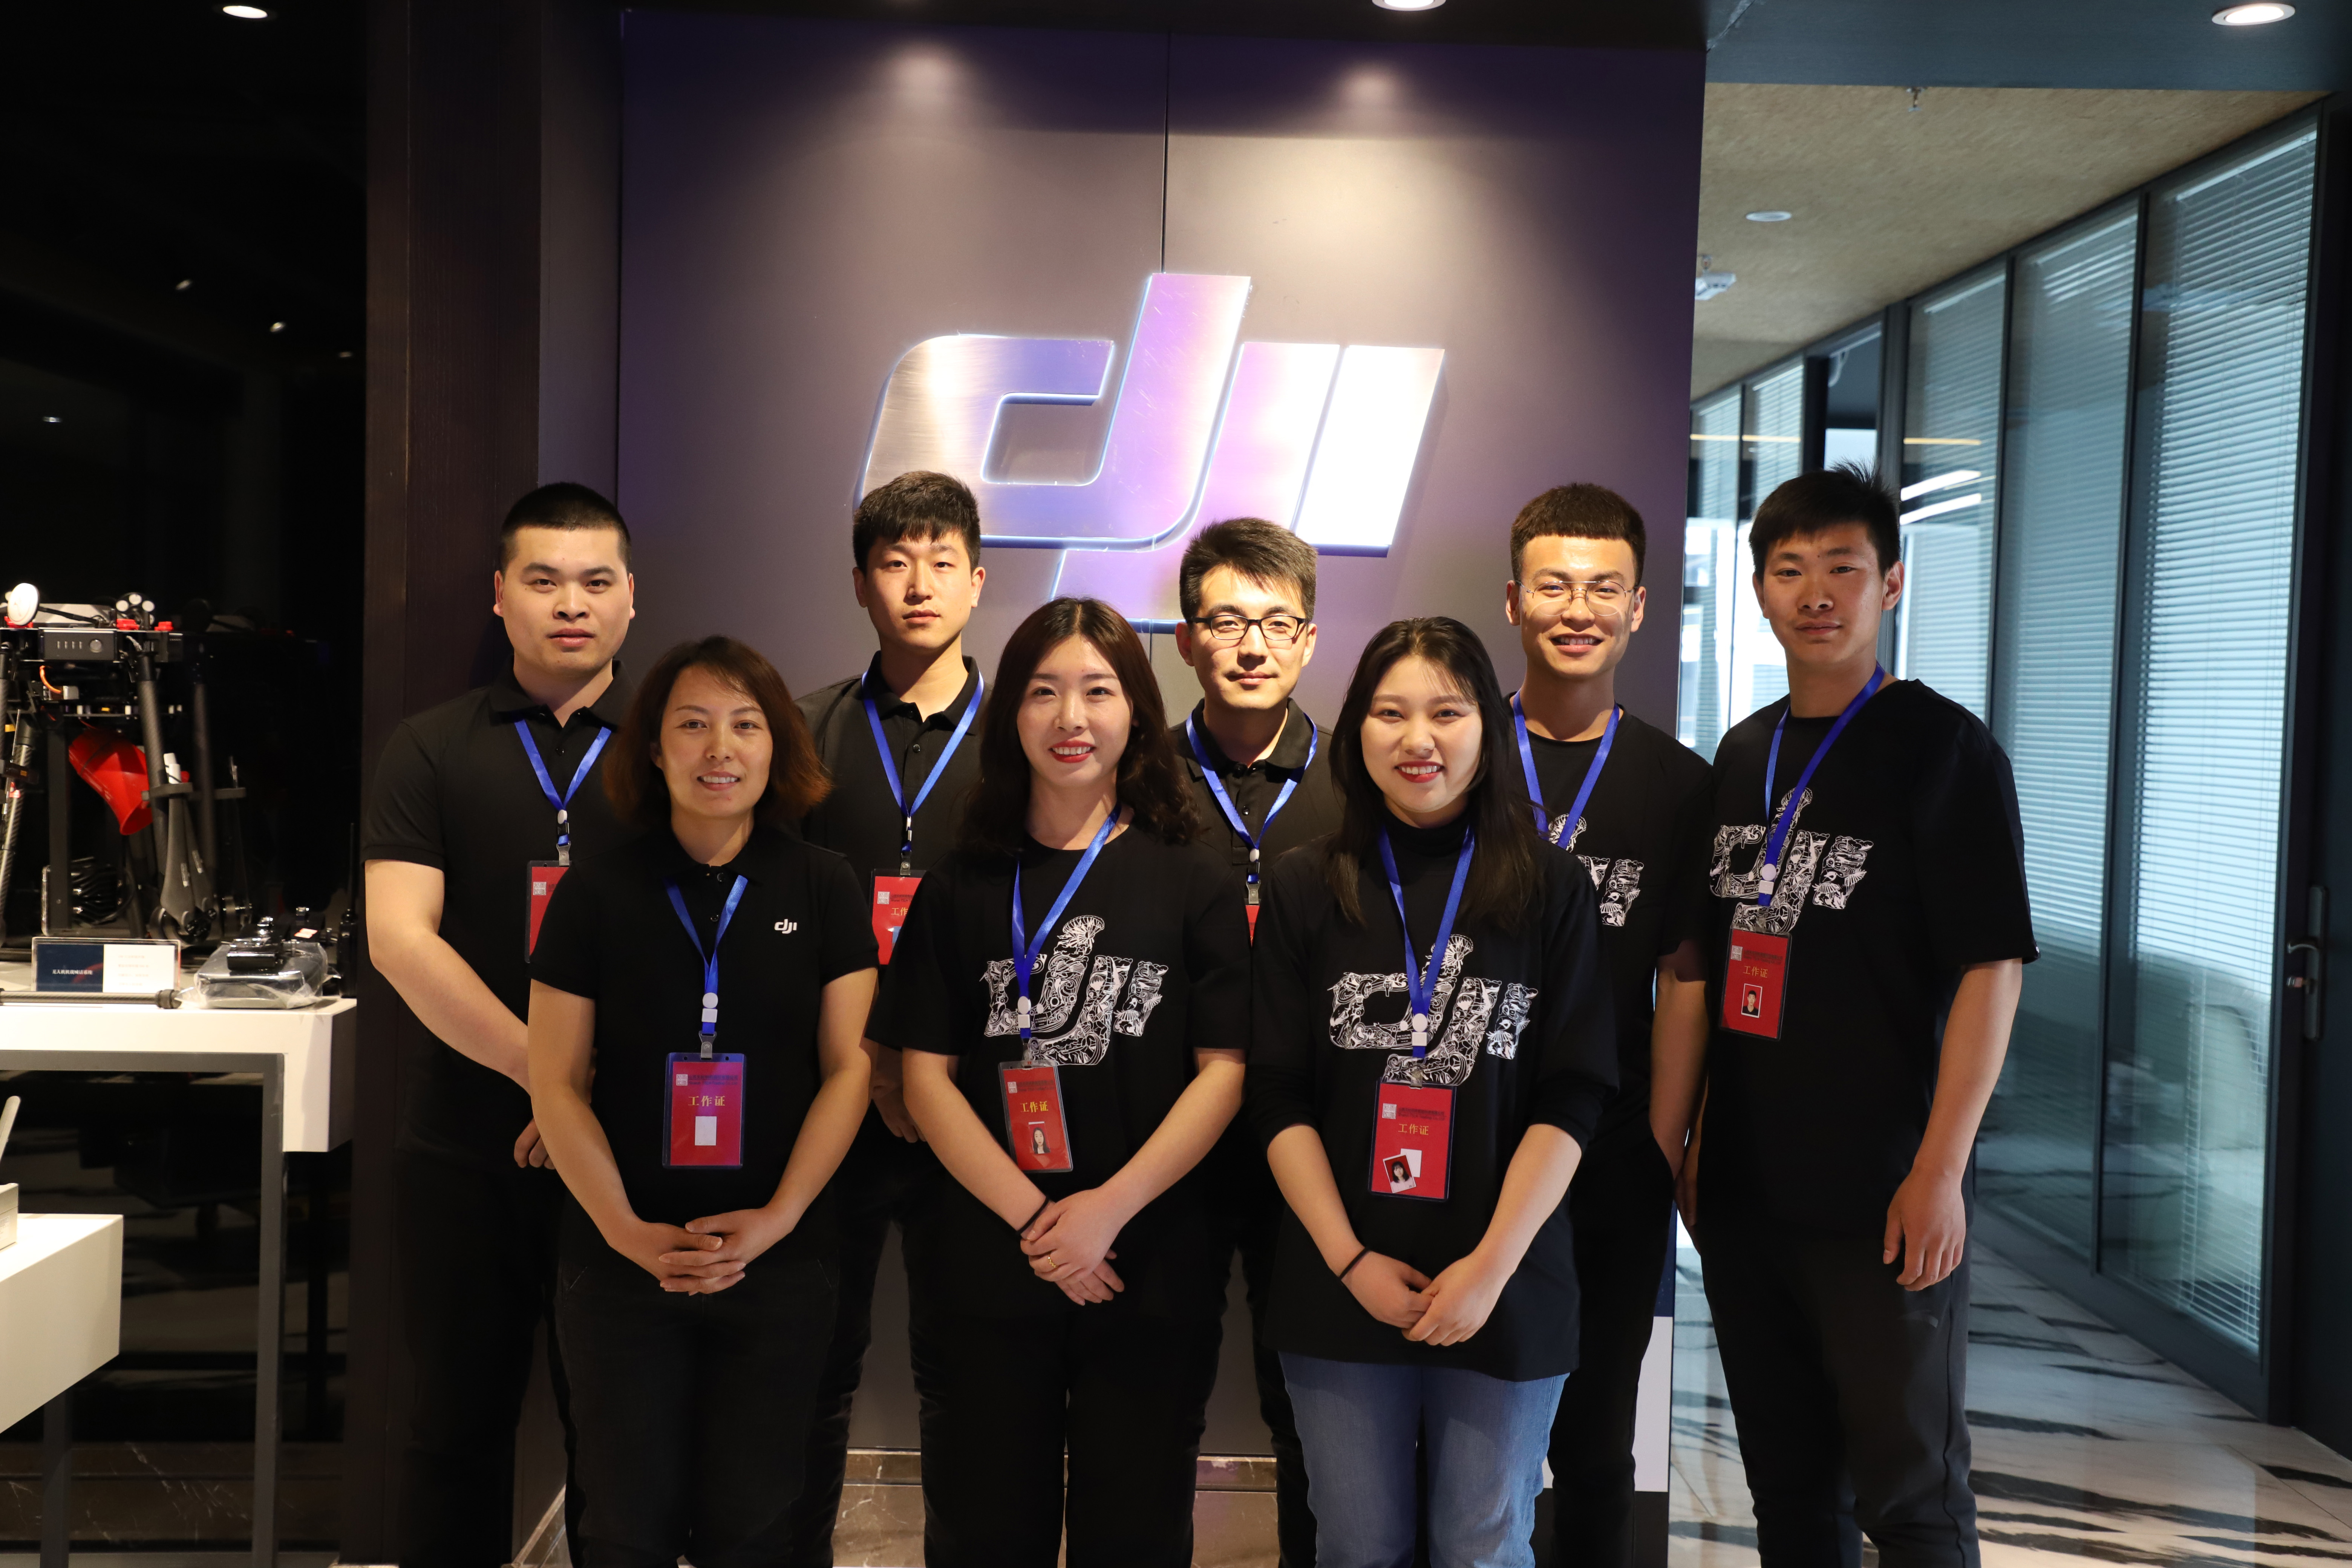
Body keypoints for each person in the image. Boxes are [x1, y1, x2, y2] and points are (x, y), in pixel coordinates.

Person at [1666, 465, 2032, 1568]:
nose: (1816, 593)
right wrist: (1697, 1139)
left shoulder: (1942, 749)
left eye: (1844, 568)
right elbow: (1709, 968)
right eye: (1790, 570)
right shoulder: (1742, 755)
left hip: (1882, 1190)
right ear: (1760, 591)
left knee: (1911, 1495)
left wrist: (1941, 1171)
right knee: (1789, 1488)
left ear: (1892, 584)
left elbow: (1992, 969)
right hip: (1746, 1193)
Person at [874, 597, 1252, 1568]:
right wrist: (1041, 1223)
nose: (1070, 718)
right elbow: (926, 1078)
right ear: (1011, 714)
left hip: (1147, 1256)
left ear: (1139, 712)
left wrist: (1103, 1213)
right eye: (1043, 692)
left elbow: (1223, 1072)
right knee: (984, 1529)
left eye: (1098, 690)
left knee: (1137, 1528)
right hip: (988, 1259)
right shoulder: (963, 880)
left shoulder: (1196, 876)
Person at [1248, 616, 1618, 1568]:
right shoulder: (1303, 886)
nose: (1419, 739)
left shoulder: (1552, 887)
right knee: (1357, 1544)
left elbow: (1574, 1094)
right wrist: (1349, 1262)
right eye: (1390, 713)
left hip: (1507, 1278)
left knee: (1481, 1543)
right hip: (1340, 1276)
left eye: (1448, 712)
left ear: (1488, 727)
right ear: (1357, 730)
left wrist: (1490, 1268)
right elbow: (1278, 1095)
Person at [527, 635, 878, 1567]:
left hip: (781, 1261)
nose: (719, 748)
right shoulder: (597, 890)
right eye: (692, 725)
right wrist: (626, 1231)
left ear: (777, 745)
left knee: (757, 1527)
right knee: (623, 1525)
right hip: (620, 1268)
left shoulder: (825, 883)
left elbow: (849, 1070)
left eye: (745, 725)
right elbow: (554, 1079)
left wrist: (779, 1217)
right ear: (654, 748)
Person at [363, 481, 636, 1568]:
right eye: (543, 580)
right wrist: (544, 1077)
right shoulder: (429, 747)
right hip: (466, 1144)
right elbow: (400, 939)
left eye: (596, 581)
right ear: (499, 595)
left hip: (629, 1146)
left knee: (622, 1434)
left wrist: (581, 1101)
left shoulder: (682, 746)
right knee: (453, 1428)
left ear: (631, 597)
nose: (571, 604)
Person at [1499, 485, 1712, 1568]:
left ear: (1638, 608)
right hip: (1468, 1150)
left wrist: (1663, 1146)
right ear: (1513, 601)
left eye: (1602, 588)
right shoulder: (1454, 756)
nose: (1576, 610)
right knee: (1466, 1429)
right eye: (1553, 586)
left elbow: (1686, 975)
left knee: (1594, 1444)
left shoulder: (1680, 784)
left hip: (1612, 1156)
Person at [784, 470, 988, 1565]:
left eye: (941, 561)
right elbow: (780, 916)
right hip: (835, 1096)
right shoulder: (803, 733)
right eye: (894, 562)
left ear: (977, 581)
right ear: (860, 583)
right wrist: (867, 1058)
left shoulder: (1025, 735)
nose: (919, 584)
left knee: (968, 1378)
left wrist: (924, 1065)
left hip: (975, 1105)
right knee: (812, 1367)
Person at [1168, 517, 1343, 1568]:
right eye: (1227, 621)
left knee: (1307, 1404)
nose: (1252, 646)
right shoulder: (1136, 778)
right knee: (1159, 1391)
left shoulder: (1356, 781)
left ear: (1310, 640)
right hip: (1169, 1134)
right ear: (1187, 638)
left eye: (1277, 624)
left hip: (1308, 1132)